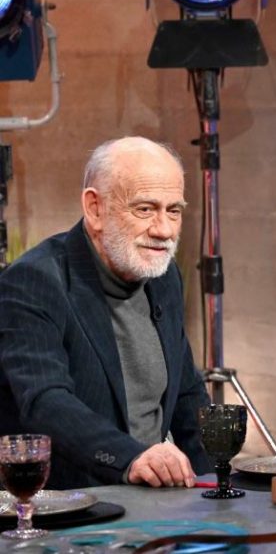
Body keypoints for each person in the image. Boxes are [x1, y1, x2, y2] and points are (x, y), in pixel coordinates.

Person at [0, 137, 211, 489]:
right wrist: (131, 458)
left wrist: (216, 486)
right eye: (145, 209)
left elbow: (187, 395)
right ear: (95, 208)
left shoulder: (163, 277)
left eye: (173, 211)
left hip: (154, 498)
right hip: (71, 500)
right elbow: (45, 401)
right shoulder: (35, 281)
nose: (164, 229)